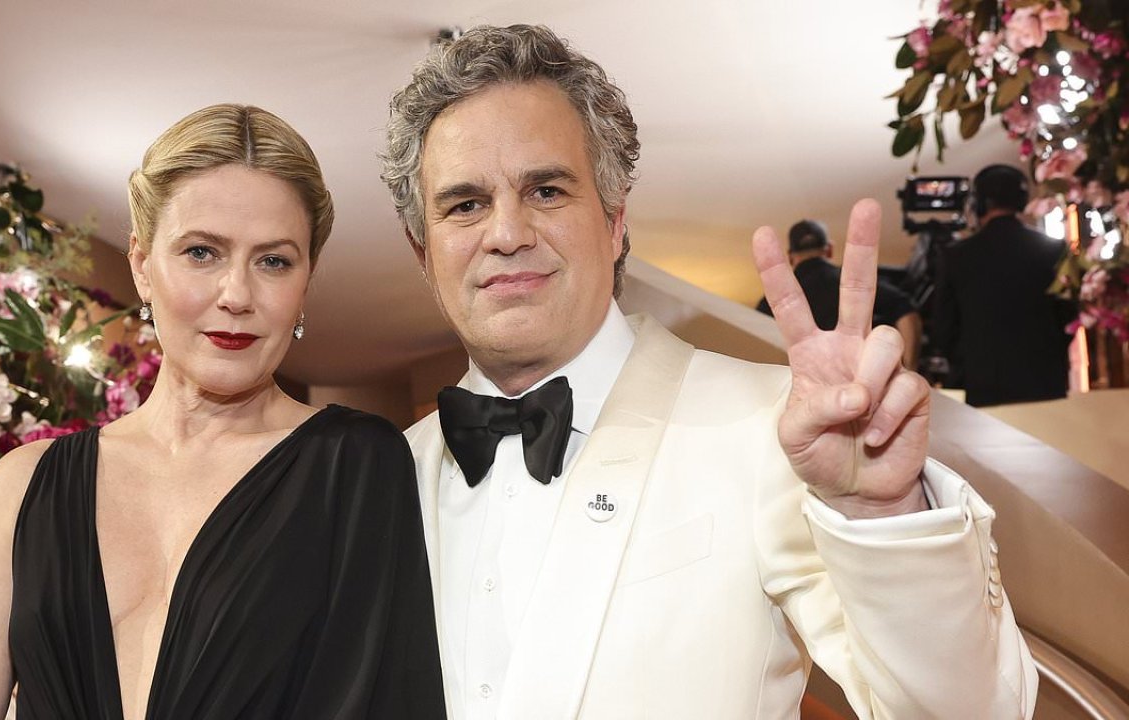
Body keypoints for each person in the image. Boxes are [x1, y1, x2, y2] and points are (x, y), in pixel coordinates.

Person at [381, 24, 1036, 719]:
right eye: (465, 205)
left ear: (614, 223)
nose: (507, 234)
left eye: (545, 190)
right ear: (424, 253)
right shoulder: (383, 474)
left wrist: (881, 515)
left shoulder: (776, 428)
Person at [0, 104, 445, 719]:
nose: (237, 295)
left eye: (273, 261)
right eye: (201, 252)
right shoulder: (24, 485)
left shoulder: (355, 466)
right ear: (142, 266)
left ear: (306, 280)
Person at [935, 164, 1074, 407]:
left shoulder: (956, 256)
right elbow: (1068, 317)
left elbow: (943, 330)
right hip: (1046, 384)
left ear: (979, 203)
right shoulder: (1054, 250)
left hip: (984, 385)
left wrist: (970, 361)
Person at [757, 219, 922, 368]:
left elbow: (758, 345)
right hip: (863, 374)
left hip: (803, 380)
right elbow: (907, 313)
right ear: (829, 249)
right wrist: (910, 367)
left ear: (790, 256)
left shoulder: (773, 301)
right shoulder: (856, 283)